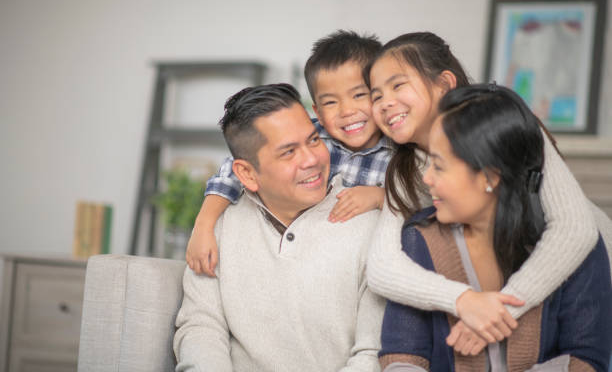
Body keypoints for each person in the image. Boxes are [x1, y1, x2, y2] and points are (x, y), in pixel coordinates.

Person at [364, 32, 612, 352]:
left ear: (444, 83)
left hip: (586, 280)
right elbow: (382, 268)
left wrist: (498, 312)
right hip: (508, 304)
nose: (385, 103)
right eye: (375, 95)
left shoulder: (505, 121)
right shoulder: (406, 173)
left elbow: (575, 230)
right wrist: (463, 301)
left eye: (398, 86)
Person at [173, 83, 385, 372]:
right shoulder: (217, 231)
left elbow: (374, 352)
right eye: (288, 153)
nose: (312, 159)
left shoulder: (371, 227)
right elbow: (201, 326)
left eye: (313, 140)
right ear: (246, 173)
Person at [186, 30, 394, 276]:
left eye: (359, 95)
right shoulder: (311, 136)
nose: (347, 110)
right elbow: (234, 170)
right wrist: (204, 225)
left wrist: (381, 196)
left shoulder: (399, 151)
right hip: (301, 259)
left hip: (356, 268)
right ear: (316, 110)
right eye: (330, 102)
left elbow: (422, 203)